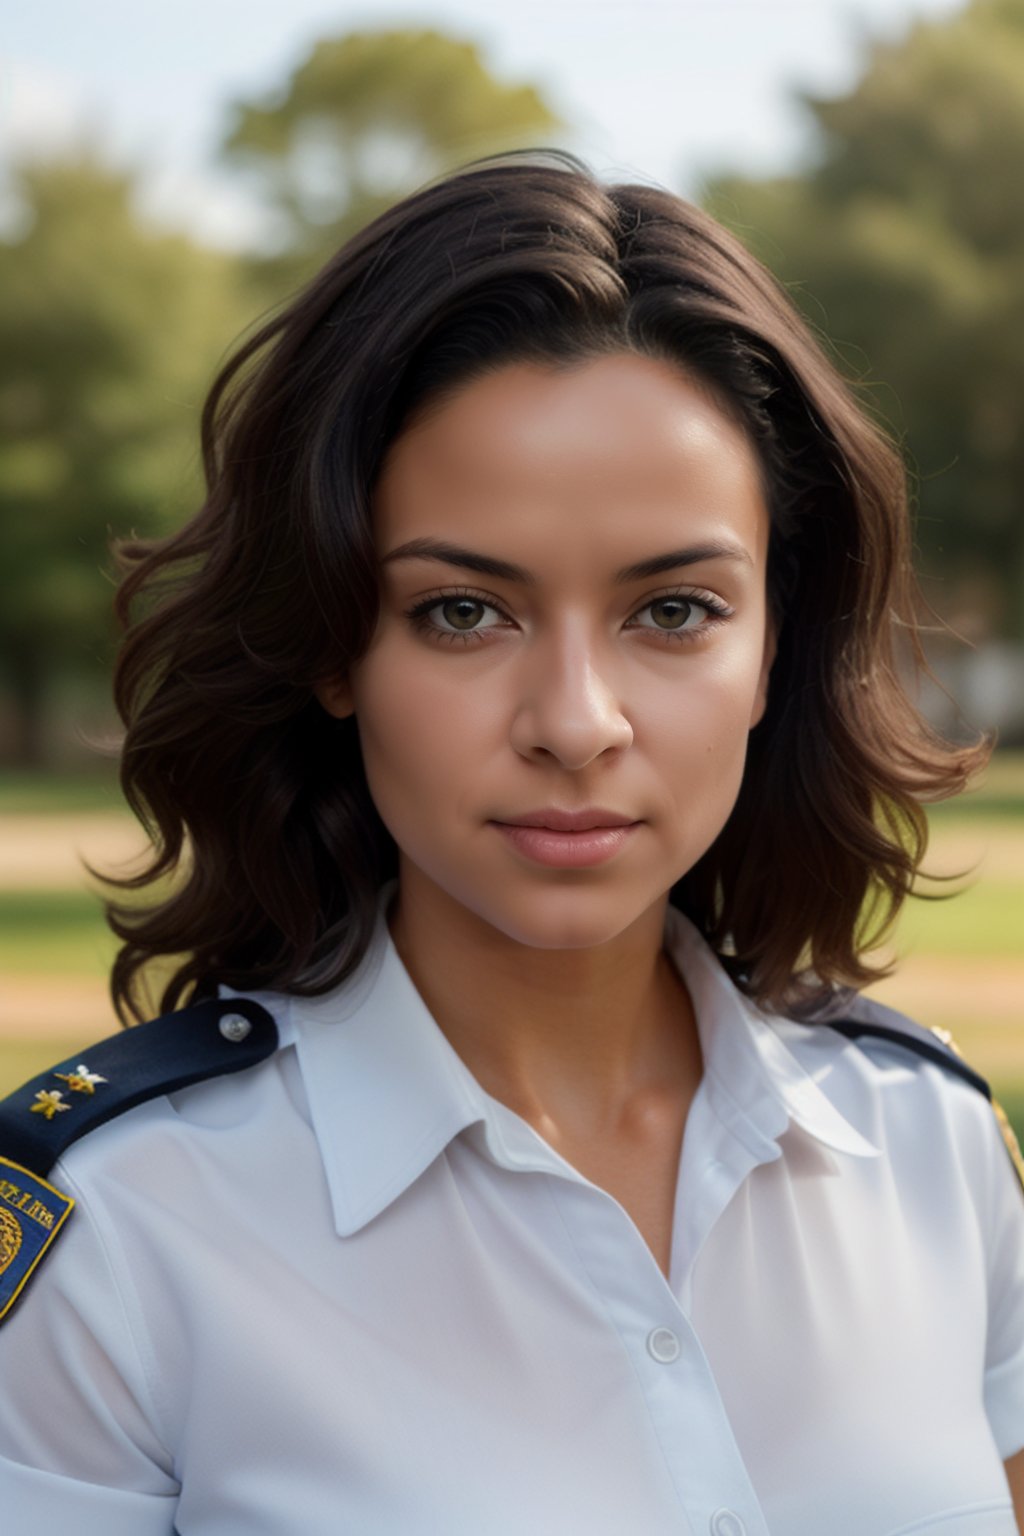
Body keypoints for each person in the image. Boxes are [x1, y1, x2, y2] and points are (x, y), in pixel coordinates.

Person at [1, 148, 1022, 1535]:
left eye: (673, 612)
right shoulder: (118, 1224)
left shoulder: (935, 1146)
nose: (576, 722)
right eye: (463, 613)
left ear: (779, 639)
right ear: (332, 646)